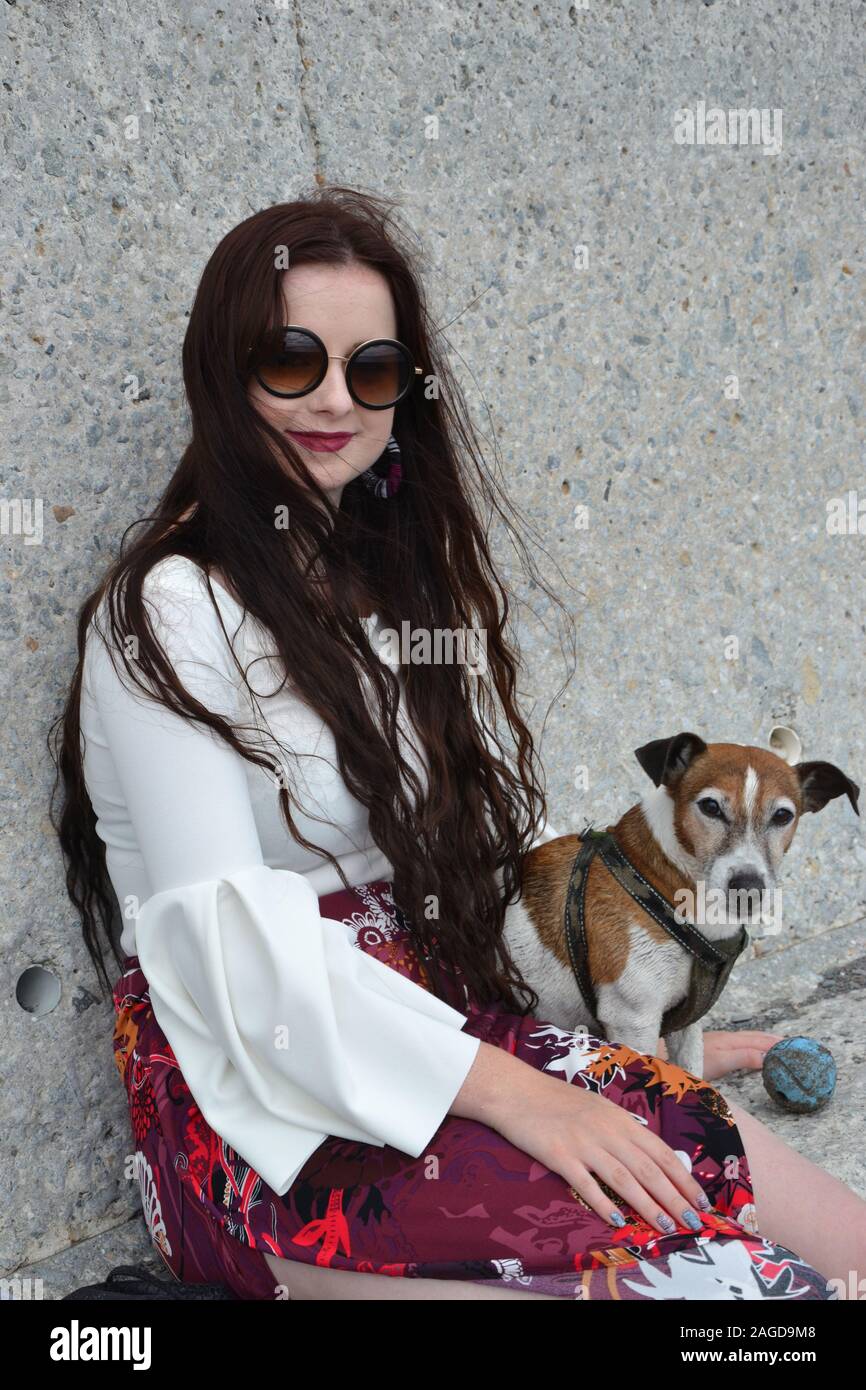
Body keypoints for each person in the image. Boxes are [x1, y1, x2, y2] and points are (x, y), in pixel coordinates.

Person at [51, 186, 865, 1301]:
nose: (333, 398)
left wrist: (626, 1032)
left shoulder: (386, 588)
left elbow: (477, 866)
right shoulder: (167, 610)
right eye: (292, 358)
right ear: (222, 370)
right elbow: (230, 963)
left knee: (838, 1246)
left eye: (371, 370)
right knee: (713, 1293)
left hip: (445, 1025)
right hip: (262, 1098)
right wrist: (526, 1096)